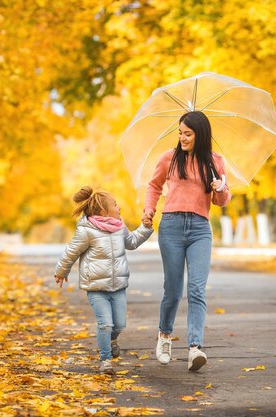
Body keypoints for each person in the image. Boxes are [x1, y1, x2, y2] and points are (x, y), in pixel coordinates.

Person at [142, 110, 232, 371]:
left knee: (197, 289)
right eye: (180, 132)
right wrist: (149, 209)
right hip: (170, 227)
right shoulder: (169, 158)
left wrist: (220, 188)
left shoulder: (215, 162)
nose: (182, 138)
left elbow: (222, 202)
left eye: (188, 134)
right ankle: (164, 336)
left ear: (200, 134)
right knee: (172, 290)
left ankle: (195, 348)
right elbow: (154, 185)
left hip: (200, 229)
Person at [54, 186, 153, 375]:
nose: (119, 207)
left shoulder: (119, 227)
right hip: (96, 287)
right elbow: (71, 251)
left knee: (119, 325)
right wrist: (61, 270)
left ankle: (111, 340)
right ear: (102, 211)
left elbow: (131, 242)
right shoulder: (87, 230)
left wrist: (145, 228)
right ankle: (105, 360)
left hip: (118, 287)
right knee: (105, 324)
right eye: (115, 205)